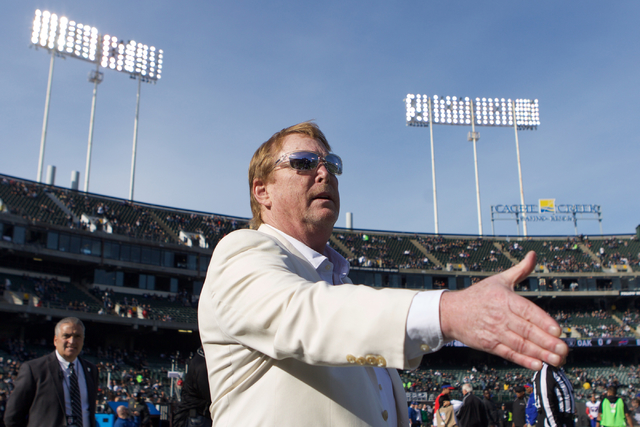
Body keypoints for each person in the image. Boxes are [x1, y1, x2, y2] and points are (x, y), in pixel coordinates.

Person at [198, 121, 568, 426]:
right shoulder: (241, 250)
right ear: (262, 191)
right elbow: (302, 313)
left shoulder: (340, 284)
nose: (324, 173)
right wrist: (449, 311)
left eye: (331, 164)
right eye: (304, 162)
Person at [4, 317, 98, 427]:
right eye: (66, 336)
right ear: (55, 340)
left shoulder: (91, 370)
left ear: (83, 340)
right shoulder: (34, 369)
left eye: (77, 336)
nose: (72, 341)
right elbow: (12, 417)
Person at [173, 348, 212, 427]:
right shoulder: (201, 363)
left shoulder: (200, 359)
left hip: (196, 416)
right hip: (196, 418)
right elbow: (208, 395)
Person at [532, 363, 575, 427]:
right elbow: (546, 402)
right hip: (554, 420)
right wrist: (554, 424)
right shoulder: (546, 371)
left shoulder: (558, 371)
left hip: (565, 419)